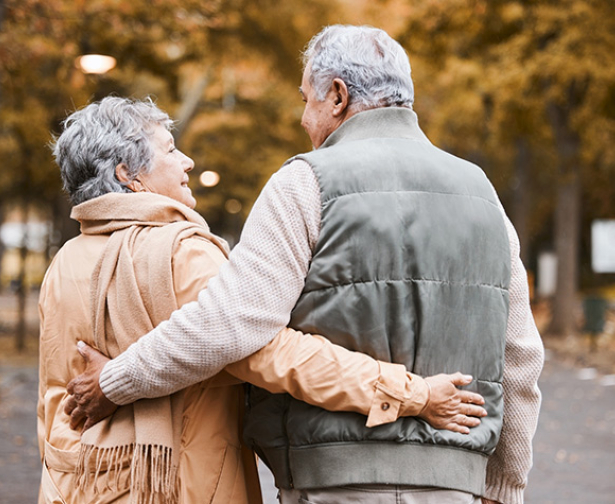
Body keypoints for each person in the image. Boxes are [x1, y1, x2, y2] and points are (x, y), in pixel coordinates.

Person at [67, 25, 544, 504]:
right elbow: (520, 358)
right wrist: (504, 488)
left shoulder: (305, 182)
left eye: (305, 101)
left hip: (335, 482)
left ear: (337, 96)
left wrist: (114, 382)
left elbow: (231, 322)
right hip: (455, 483)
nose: (303, 119)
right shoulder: (483, 193)